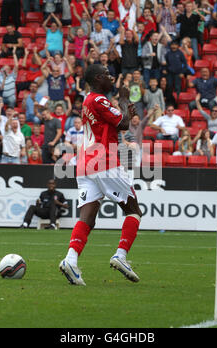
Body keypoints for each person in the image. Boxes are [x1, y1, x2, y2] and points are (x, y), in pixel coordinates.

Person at [59, 64, 142, 286]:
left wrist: (123, 111)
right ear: (97, 78)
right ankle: (121, 256)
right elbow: (124, 123)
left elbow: (114, 124)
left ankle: (70, 260)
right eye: (106, 74)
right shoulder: (98, 100)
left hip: (86, 165)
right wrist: (124, 99)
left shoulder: (88, 101)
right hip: (104, 162)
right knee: (133, 211)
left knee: (88, 216)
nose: (111, 76)